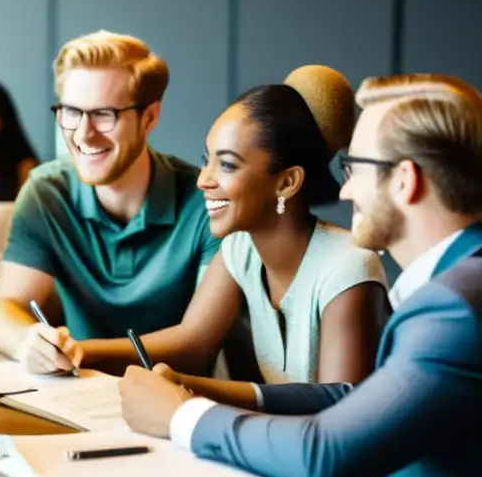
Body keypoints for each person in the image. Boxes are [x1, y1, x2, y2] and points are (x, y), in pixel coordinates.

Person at [118, 73, 482, 477]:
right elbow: (353, 397)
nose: (343, 189)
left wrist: (181, 419)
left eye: (354, 168)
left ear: (405, 181)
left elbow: (324, 453)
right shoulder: (454, 280)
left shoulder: (456, 307)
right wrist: (196, 393)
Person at [132, 66, 390, 386]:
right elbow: (193, 342)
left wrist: (192, 396)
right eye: (206, 159)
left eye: (226, 164)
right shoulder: (240, 249)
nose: (203, 180)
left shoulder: (348, 265)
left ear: (287, 182)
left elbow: (337, 409)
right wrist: (78, 351)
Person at [0, 30, 219, 373]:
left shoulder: (204, 202)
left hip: (176, 402)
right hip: (75, 394)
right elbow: (2, 307)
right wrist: (28, 341)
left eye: (104, 114)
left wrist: (78, 351)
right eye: (72, 112)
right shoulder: (46, 192)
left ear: (149, 117)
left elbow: (197, 346)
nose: (83, 134)